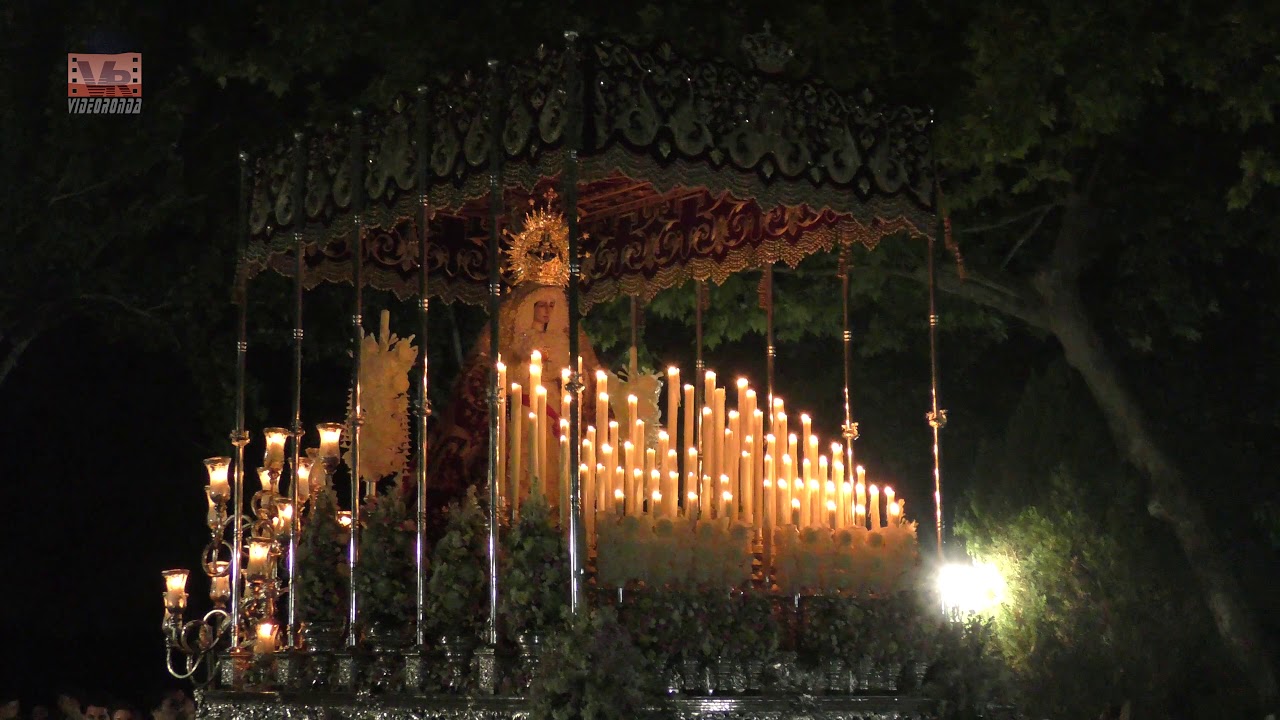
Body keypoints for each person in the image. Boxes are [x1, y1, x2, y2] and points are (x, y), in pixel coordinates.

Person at [428, 281, 605, 515]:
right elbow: (510, 377)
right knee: (525, 450)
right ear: (529, 307)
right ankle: (519, 505)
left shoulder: (561, 341)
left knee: (553, 455)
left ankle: (553, 505)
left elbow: (572, 376)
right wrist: (529, 365)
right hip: (526, 402)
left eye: (552, 305)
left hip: (554, 403)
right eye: (541, 305)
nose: (547, 311)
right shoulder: (521, 340)